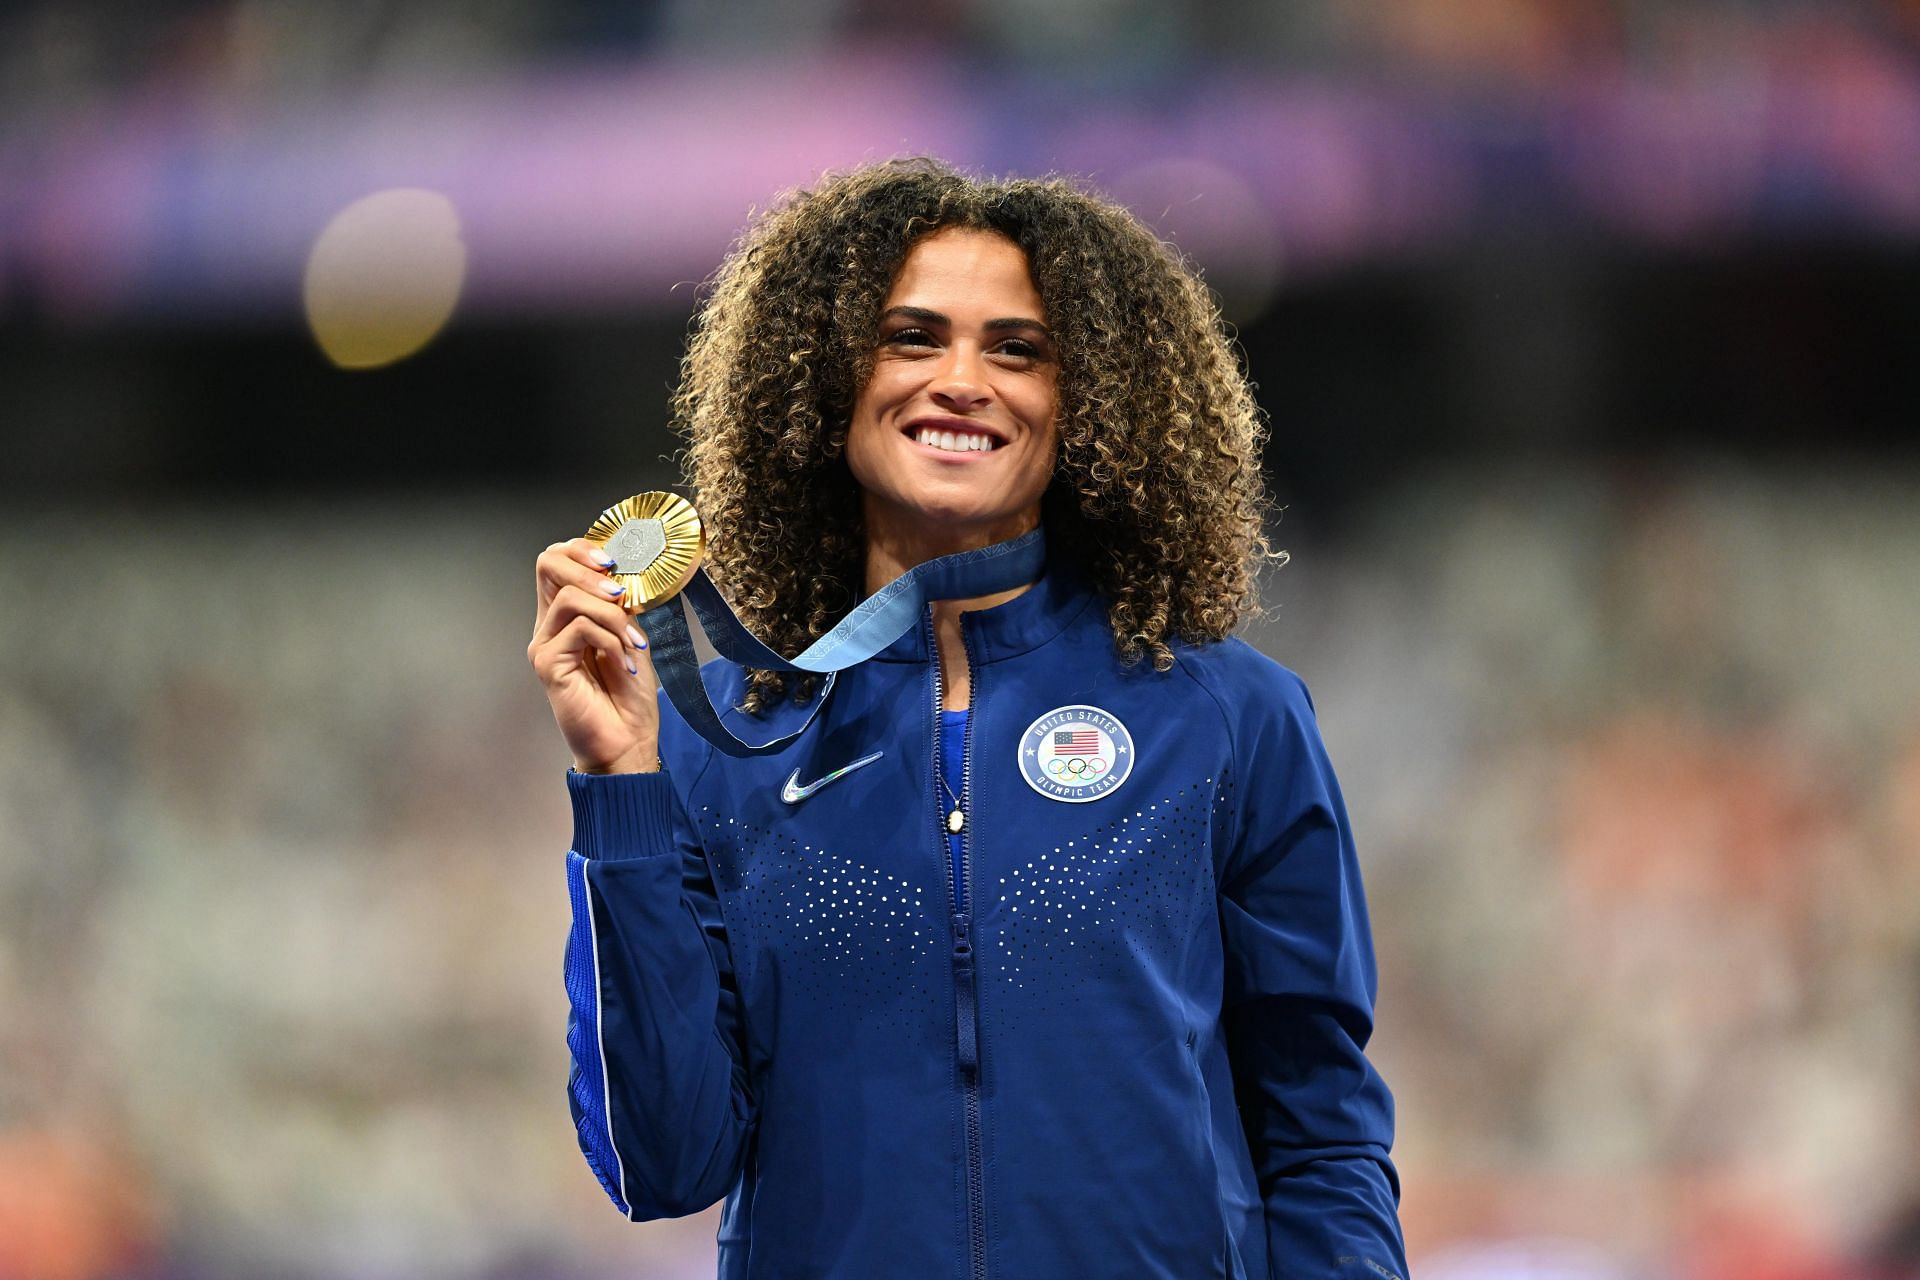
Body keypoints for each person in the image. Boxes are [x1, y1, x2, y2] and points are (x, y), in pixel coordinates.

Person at [526, 158, 1406, 1280]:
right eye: (911, 337)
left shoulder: (1232, 716)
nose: (961, 380)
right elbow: (664, 1163)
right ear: (821, 382)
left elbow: (1322, 1131)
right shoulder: (712, 748)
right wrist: (620, 790)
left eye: (1016, 349)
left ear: (1086, 404)